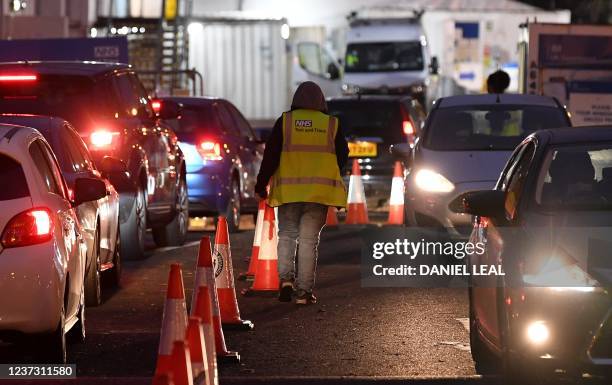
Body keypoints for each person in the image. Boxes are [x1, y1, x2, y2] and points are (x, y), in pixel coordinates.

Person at [255, 81, 349, 305]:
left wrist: (261, 183)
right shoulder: (331, 125)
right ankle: (303, 293)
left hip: (289, 192)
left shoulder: (285, 122)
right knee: (308, 241)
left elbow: (270, 155)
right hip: (318, 194)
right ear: (321, 101)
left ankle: (286, 281)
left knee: (287, 235)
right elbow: (343, 155)